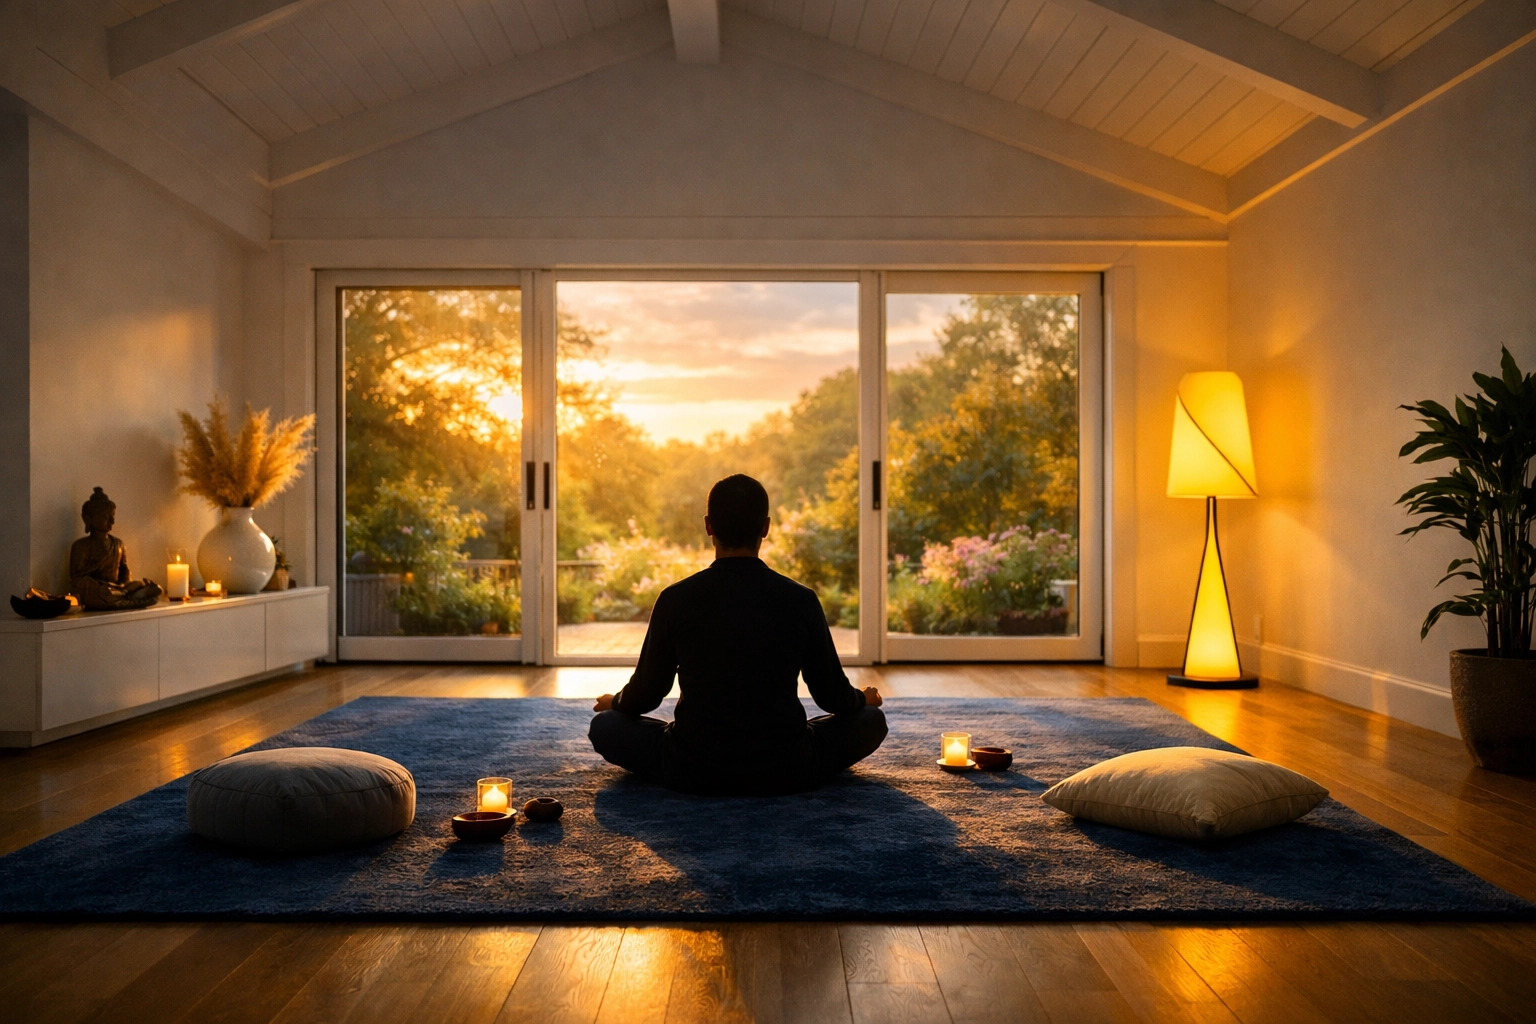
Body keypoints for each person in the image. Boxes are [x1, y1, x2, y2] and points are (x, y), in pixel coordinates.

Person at [589, 474, 887, 795]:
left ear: (708, 526)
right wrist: (862, 701)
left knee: (605, 726)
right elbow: (831, 696)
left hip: (693, 765)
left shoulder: (675, 598)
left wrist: (616, 703)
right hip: (787, 765)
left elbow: (647, 693)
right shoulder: (800, 599)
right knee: (872, 721)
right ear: (765, 527)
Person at [69, 488, 163, 611]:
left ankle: (126, 596)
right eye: (105, 517)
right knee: (99, 592)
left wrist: (126, 585)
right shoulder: (81, 546)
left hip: (117, 589)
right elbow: (77, 579)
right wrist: (99, 586)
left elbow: (124, 572)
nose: (112, 521)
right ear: (89, 519)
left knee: (150, 588)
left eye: (113, 516)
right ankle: (129, 599)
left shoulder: (118, 544)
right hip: (98, 591)